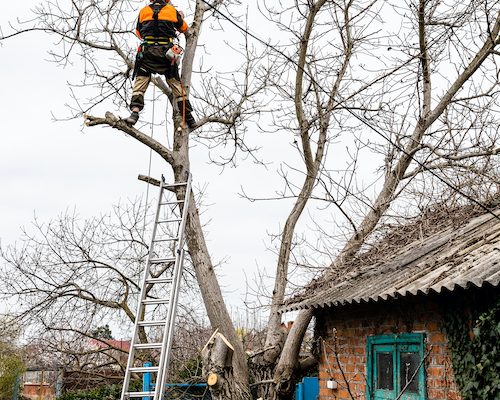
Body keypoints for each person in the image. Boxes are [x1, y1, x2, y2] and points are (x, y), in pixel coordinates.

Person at [124, 0, 196, 128]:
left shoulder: (144, 11)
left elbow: (139, 33)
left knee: (141, 81)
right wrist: (180, 17)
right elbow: (184, 28)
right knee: (175, 82)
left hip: (148, 53)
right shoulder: (171, 11)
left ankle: (134, 113)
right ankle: (188, 117)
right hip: (166, 54)